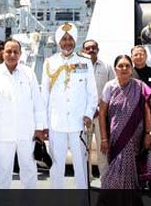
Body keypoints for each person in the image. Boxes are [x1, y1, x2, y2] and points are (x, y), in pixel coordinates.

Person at [0, 39, 46, 189]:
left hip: (26, 132)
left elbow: (38, 102)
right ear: (2, 53)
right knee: (3, 173)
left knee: (29, 170)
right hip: (2, 133)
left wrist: (39, 128)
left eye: (15, 52)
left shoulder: (28, 73)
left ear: (20, 54)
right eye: (8, 51)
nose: (12, 55)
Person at [41, 22, 98, 189]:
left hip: (78, 123)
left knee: (80, 165)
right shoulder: (49, 63)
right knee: (56, 166)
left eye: (70, 39)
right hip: (56, 123)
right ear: (59, 42)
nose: (67, 42)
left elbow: (92, 93)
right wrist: (43, 124)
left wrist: (88, 113)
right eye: (64, 39)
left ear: (75, 41)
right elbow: (44, 94)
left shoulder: (84, 62)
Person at [99, 55, 151, 189]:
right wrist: (104, 139)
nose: (124, 68)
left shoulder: (140, 86)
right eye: (120, 66)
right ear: (115, 69)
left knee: (132, 169)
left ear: (131, 69)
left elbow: (148, 112)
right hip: (116, 137)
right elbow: (102, 113)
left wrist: (148, 134)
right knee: (115, 167)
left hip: (135, 136)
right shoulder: (109, 86)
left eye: (127, 66)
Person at [82, 39, 115, 179]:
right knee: (84, 149)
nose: (91, 50)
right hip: (84, 116)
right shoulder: (78, 67)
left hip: (102, 114)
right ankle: (86, 178)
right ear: (83, 50)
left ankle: (105, 179)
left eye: (94, 48)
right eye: (88, 48)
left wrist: (100, 108)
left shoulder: (106, 66)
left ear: (98, 49)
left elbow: (113, 89)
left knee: (103, 149)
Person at [130, 45, 151, 190]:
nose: (139, 57)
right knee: (136, 152)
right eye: (136, 55)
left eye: (141, 54)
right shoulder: (129, 74)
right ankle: (138, 183)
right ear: (132, 57)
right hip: (134, 121)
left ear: (146, 56)